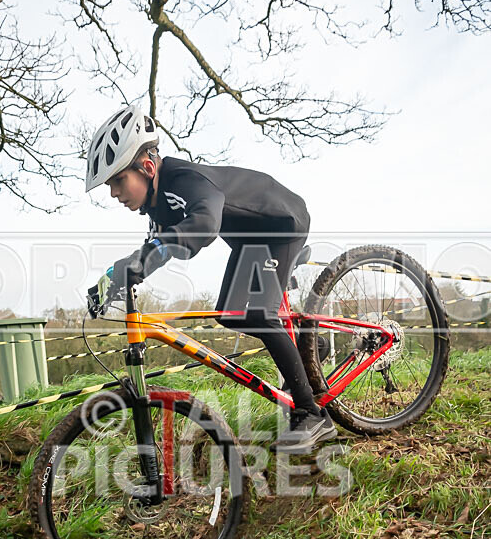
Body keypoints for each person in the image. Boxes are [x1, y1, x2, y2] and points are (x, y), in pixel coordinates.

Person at [86, 105, 337, 452]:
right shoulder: (157, 206)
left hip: (282, 225)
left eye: (117, 180)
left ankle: (312, 414)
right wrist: (114, 278)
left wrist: (141, 260)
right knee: (229, 314)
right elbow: (159, 249)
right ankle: (306, 349)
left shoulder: (184, 179)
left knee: (260, 314)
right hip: (252, 242)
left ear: (146, 167)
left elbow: (204, 224)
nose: (114, 193)